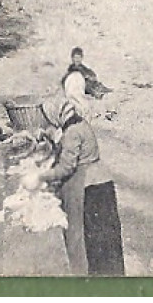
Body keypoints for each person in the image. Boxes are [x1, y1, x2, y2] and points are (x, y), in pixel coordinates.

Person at [42, 93, 98, 274]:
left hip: (80, 182)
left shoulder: (72, 133)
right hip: (90, 180)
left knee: (74, 232)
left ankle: (78, 272)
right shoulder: (79, 124)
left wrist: (41, 176)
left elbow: (66, 168)